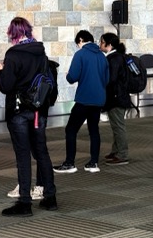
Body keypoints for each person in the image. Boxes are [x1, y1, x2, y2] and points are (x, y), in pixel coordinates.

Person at [0, 16, 58, 215]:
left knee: (23, 155)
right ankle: (50, 197)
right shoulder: (41, 52)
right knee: (42, 152)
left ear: (13, 34)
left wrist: (0, 71)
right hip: (39, 109)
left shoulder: (13, 55)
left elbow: (6, 86)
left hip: (19, 111)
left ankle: (24, 202)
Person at [54, 30, 109, 174]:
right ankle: (93, 163)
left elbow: (72, 77)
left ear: (80, 40)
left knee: (71, 130)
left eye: (77, 43)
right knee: (94, 130)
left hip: (84, 98)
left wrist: (68, 76)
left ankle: (69, 163)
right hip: (98, 100)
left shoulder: (80, 54)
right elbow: (106, 79)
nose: (78, 46)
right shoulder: (102, 56)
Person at [100, 32, 131, 165]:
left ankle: (122, 154)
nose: (100, 44)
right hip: (118, 96)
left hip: (116, 97)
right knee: (116, 126)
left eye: (102, 42)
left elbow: (111, 79)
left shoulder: (114, 59)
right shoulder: (117, 57)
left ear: (109, 44)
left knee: (118, 126)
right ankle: (116, 150)